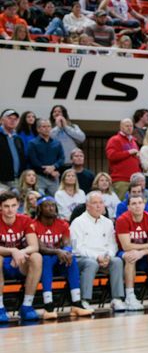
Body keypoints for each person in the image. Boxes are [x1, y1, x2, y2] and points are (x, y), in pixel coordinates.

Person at [33, 197, 93, 319]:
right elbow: (40, 248)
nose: (51, 208)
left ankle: (76, 303)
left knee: (71, 259)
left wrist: (66, 252)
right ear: (39, 209)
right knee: (45, 258)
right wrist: (58, 251)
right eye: (47, 205)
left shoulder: (62, 224)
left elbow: (67, 244)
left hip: (59, 261)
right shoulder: (33, 225)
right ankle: (48, 305)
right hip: (42, 264)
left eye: (53, 205)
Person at [71, 191, 127, 311]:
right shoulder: (78, 222)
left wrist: (108, 256)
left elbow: (113, 244)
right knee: (91, 263)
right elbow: (77, 248)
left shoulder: (108, 222)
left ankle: (116, 299)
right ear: (87, 206)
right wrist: (97, 257)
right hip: (83, 259)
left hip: (104, 258)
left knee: (117, 261)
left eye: (101, 203)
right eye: (95, 203)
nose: (98, 206)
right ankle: (85, 301)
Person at [115, 195, 148, 310]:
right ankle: (130, 297)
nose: (137, 206)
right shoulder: (122, 220)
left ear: (144, 205)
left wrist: (142, 252)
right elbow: (126, 246)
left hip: (143, 254)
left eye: (140, 203)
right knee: (131, 256)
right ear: (128, 207)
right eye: (133, 203)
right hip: (123, 253)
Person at [0, 191, 43, 322]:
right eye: (6, 206)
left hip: (19, 262)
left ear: (18, 205)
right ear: (0, 207)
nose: (10, 209)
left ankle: (27, 306)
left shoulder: (25, 220)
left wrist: (19, 252)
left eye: (13, 205)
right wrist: (13, 250)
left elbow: (34, 246)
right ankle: (0, 307)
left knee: (36, 257)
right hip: (3, 261)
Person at [28, 118, 64, 196]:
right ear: (38, 129)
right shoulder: (32, 143)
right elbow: (33, 160)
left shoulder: (57, 143)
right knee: (39, 200)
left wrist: (54, 167)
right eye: (44, 126)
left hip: (54, 178)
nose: (47, 129)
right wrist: (48, 170)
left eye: (49, 126)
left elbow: (62, 158)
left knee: (54, 201)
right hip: (39, 176)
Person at [106, 118, 140, 199]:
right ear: (121, 127)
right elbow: (111, 156)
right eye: (127, 126)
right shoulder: (115, 139)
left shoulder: (133, 141)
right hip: (121, 180)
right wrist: (129, 152)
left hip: (134, 181)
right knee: (122, 204)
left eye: (131, 126)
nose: (129, 128)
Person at [0, 109, 25, 191]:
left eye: (15, 119)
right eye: (9, 118)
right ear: (1, 120)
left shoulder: (18, 138)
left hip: (16, 179)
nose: (12, 121)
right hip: (2, 180)